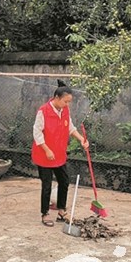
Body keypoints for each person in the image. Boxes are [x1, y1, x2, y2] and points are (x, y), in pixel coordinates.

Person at [32, 80, 89, 227]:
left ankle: (61, 211)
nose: (67, 104)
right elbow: (37, 133)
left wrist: (82, 139)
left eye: (69, 102)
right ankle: (45, 214)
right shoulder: (43, 111)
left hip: (59, 153)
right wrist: (47, 149)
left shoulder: (64, 111)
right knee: (47, 185)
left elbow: (70, 128)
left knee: (64, 181)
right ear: (57, 98)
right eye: (65, 101)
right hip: (45, 155)